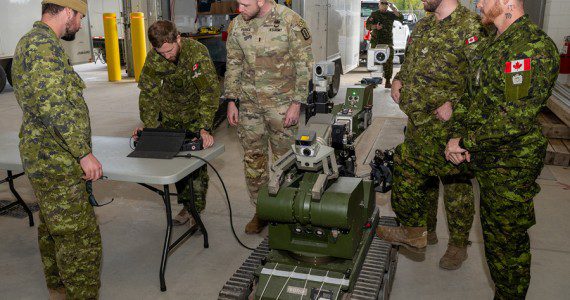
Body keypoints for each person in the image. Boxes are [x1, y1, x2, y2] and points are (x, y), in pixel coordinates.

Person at [444, 0, 559, 297]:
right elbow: (470, 98)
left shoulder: (532, 45)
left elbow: (516, 114)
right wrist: (457, 136)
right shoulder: (493, 43)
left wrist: (467, 141)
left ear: (508, 2)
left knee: (507, 248)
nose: (478, 4)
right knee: (494, 241)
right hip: (486, 154)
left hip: (511, 163)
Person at [377, 0, 487, 270]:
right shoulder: (424, 25)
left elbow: (482, 82)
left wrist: (456, 106)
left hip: (452, 128)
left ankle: (458, 245)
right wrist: (400, 79)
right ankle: (425, 231)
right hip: (419, 121)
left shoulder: (471, 26)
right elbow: (412, 62)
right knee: (421, 181)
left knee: (456, 187)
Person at [12, 0, 103, 298]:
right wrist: (83, 153)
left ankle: (58, 287)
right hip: (57, 158)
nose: (79, 24)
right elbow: (55, 109)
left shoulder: (32, 41)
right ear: (67, 11)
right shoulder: (42, 47)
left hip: (45, 154)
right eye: (79, 17)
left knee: (53, 225)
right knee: (80, 238)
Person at [225, 0, 313, 234]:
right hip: (249, 106)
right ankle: (261, 210)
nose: (239, 9)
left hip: (282, 105)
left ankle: (287, 211)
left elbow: (304, 65)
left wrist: (297, 103)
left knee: (285, 160)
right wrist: (231, 100)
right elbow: (234, 64)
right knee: (253, 159)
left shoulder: (290, 21)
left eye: (244, 4)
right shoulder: (237, 25)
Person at [136, 20, 220, 226]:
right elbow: (148, 93)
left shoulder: (196, 53)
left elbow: (208, 92)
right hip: (170, 116)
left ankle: (196, 209)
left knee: (196, 167)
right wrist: (149, 126)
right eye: (161, 52)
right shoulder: (156, 57)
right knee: (176, 164)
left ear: (178, 39)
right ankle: (186, 205)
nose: (167, 56)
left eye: (169, 50)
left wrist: (204, 127)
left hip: (194, 115)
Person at [365, 1, 403, 88]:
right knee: (374, 61)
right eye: (382, 5)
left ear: (387, 6)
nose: (383, 7)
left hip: (387, 42)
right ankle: (374, 81)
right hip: (376, 41)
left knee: (389, 61)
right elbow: (367, 26)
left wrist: (393, 8)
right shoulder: (374, 14)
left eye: (385, 6)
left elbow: (400, 17)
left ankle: (388, 81)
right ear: (379, 6)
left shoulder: (391, 14)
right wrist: (375, 27)